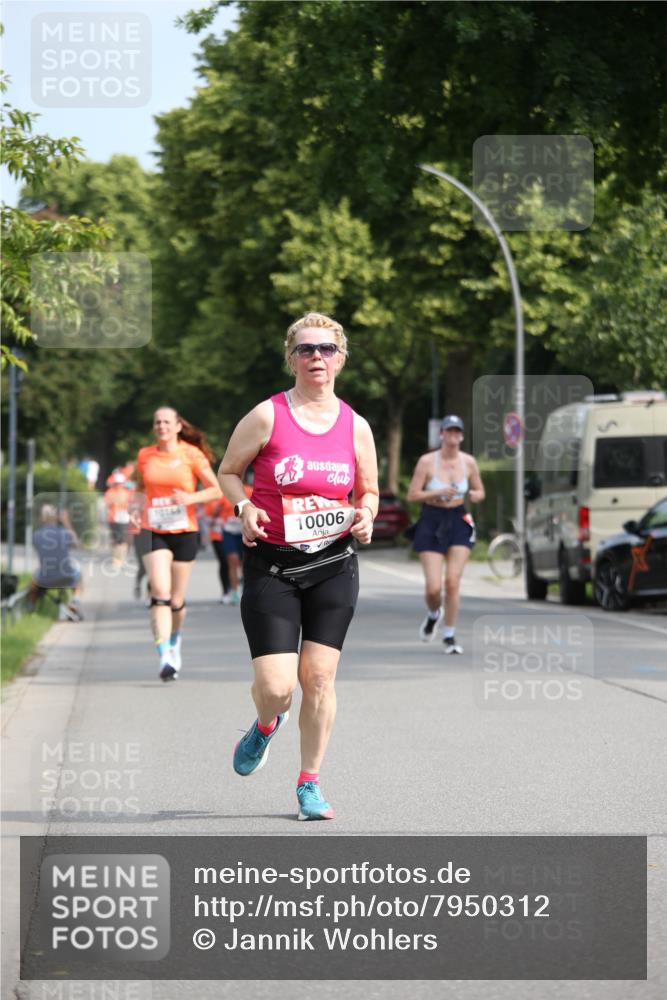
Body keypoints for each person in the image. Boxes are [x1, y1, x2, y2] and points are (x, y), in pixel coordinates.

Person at [219, 311, 378, 821]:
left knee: (320, 678)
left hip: (333, 563)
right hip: (273, 565)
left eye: (327, 350)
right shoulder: (267, 416)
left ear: (341, 359)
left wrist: (367, 515)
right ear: (291, 357)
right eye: (306, 349)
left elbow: (368, 490)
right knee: (276, 687)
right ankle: (266, 725)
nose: (317, 357)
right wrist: (244, 507)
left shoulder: (356, 426)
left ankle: (309, 782)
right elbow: (228, 471)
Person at [135, 407, 221, 681]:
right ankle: (164, 655)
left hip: (185, 530)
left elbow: (216, 488)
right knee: (159, 590)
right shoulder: (145, 455)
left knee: (175, 599)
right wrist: (136, 510)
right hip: (153, 528)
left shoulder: (191, 454)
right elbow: (141, 489)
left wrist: (190, 499)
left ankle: (174, 638)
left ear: (177, 426)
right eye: (157, 422)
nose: (161, 426)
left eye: (166, 422)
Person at [407, 414, 485, 654]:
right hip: (432, 519)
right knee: (433, 588)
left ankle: (449, 635)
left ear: (461, 436)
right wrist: (436, 492)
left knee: (452, 582)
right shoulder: (427, 462)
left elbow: (480, 490)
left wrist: (475, 495)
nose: (452, 436)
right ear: (441, 434)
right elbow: (412, 495)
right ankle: (433, 614)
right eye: (448, 432)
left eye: (456, 432)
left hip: (458, 520)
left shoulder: (469, 462)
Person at [29, 505, 83, 621]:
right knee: (79, 577)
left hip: (45, 578)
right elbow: (76, 544)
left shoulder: (36, 535)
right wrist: (66, 522)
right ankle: (75, 603)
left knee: (34, 581)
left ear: (42, 519)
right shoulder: (64, 533)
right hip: (67, 577)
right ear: (56, 518)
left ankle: (31, 609)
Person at [205, 496, 231, 603]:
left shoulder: (233, 494)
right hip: (217, 535)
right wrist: (216, 516)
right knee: (224, 562)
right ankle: (226, 591)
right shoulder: (212, 498)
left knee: (237, 562)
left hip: (233, 534)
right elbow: (207, 520)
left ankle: (236, 588)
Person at [103, 472, 132, 567]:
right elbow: (108, 503)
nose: (119, 485)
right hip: (114, 518)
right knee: (118, 540)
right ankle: (117, 559)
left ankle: (119, 559)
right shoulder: (113, 492)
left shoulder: (124, 492)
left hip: (121, 518)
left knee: (120, 540)